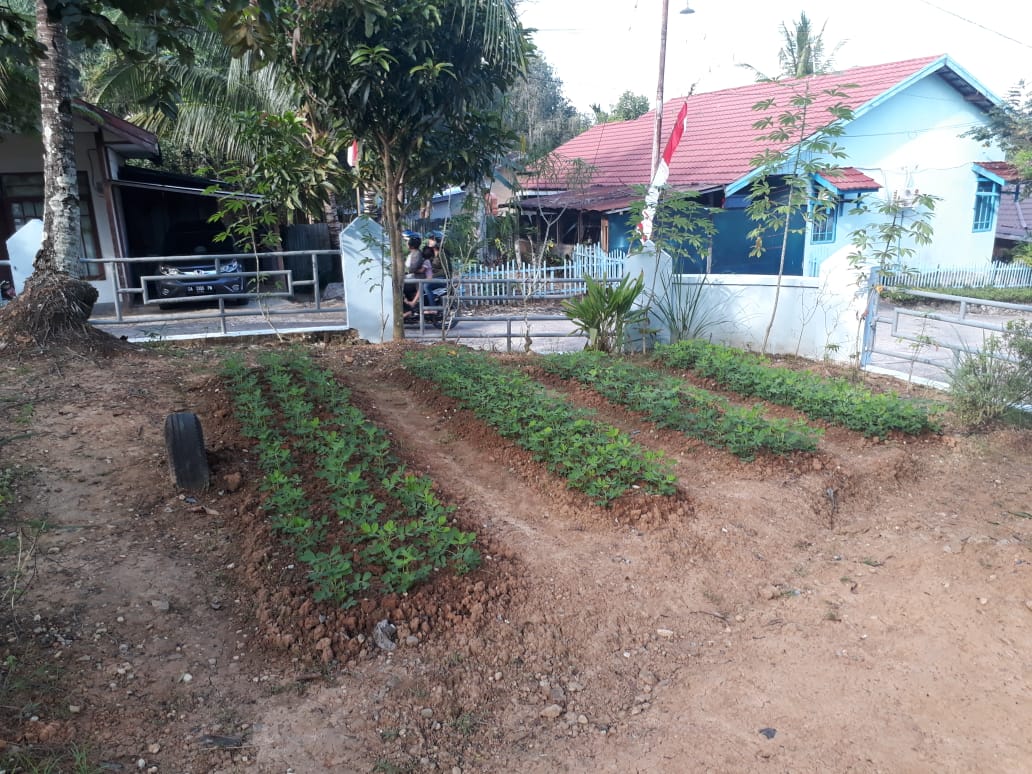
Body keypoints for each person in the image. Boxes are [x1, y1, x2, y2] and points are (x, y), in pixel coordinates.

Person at [403, 236, 432, 319]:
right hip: (414, 275)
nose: (406, 243)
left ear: (411, 245)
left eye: (407, 242)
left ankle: (408, 308)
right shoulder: (413, 253)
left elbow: (413, 268)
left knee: (399, 285)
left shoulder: (416, 254)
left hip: (417, 277)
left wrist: (409, 271)